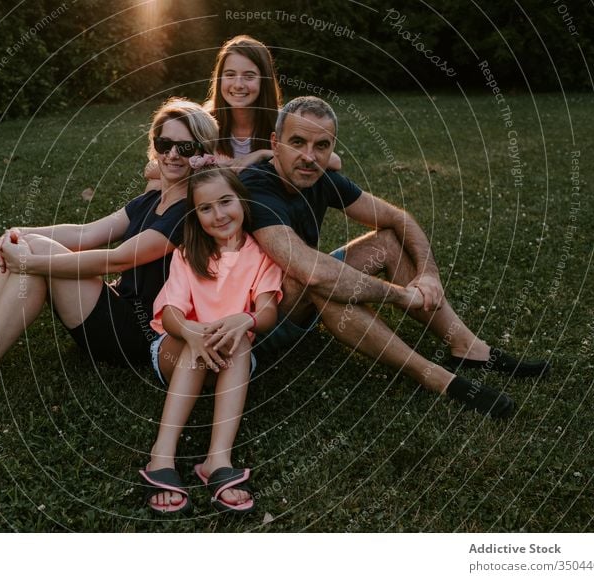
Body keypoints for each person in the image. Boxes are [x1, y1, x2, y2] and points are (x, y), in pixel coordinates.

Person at [240, 96, 550, 419]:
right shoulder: (257, 188)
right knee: (321, 282)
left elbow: (398, 219)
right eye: (297, 142)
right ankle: (433, 376)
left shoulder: (320, 177)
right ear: (275, 144)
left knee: (387, 241)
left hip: (300, 295)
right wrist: (401, 295)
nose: (309, 156)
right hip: (257, 321)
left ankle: (469, 348)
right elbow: (312, 272)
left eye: (322, 145)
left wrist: (429, 274)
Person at [0, 98, 219, 411]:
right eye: (165, 144)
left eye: (186, 147)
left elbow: (118, 258)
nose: (173, 154)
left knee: (33, 255)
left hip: (138, 335)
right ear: (155, 146)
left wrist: (29, 259)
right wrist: (20, 233)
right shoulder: (150, 201)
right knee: (32, 245)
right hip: (115, 310)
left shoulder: (190, 213)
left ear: (202, 153)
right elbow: (86, 233)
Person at [139, 167, 282, 515]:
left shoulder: (262, 254)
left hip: (230, 362)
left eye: (225, 202)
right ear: (196, 215)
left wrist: (244, 318)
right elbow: (170, 314)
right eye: (205, 208)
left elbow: (267, 313)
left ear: (242, 202)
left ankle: (217, 461)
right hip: (176, 355)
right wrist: (192, 332)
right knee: (196, 338)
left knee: (239, 337)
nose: (218, 215)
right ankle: (162, 455)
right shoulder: (187, 255)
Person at [144, 35, 340, 187]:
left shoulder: (282, 120)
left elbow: (334, 162)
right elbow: (152, 169)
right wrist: (225, 165)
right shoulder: (204, 120)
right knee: (157, 185)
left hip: (267, 204)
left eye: (249, 76)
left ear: (264, 81)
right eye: (230, 75)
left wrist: (261, 154)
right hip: (215, 206)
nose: (238, 85)